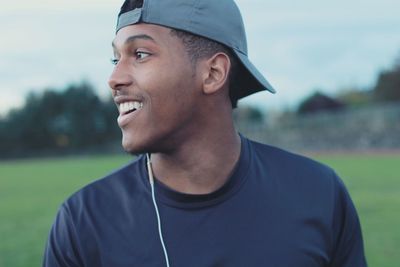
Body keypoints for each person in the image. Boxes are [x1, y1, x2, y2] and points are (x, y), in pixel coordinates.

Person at [43, 0, 367, 266]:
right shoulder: (83, 222)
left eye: (139, 54)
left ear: (213, 73)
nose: (114, 78)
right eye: (116, 58)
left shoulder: (319, 195)